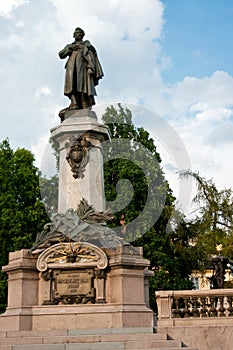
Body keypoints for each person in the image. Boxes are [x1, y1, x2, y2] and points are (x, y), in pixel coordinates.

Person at [58, 27, 104, 119]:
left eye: (79, 33)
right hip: (71, 67)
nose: (77, 35)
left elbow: (91, 56)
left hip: (82, 67)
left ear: (82, 35)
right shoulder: (70, 46)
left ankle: (84, 103)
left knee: (82, 85)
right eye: (75, 33)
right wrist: (69, 48)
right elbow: (61, 54)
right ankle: (74, 102)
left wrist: (91, 67)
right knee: (72, 85)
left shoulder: (86, 45)